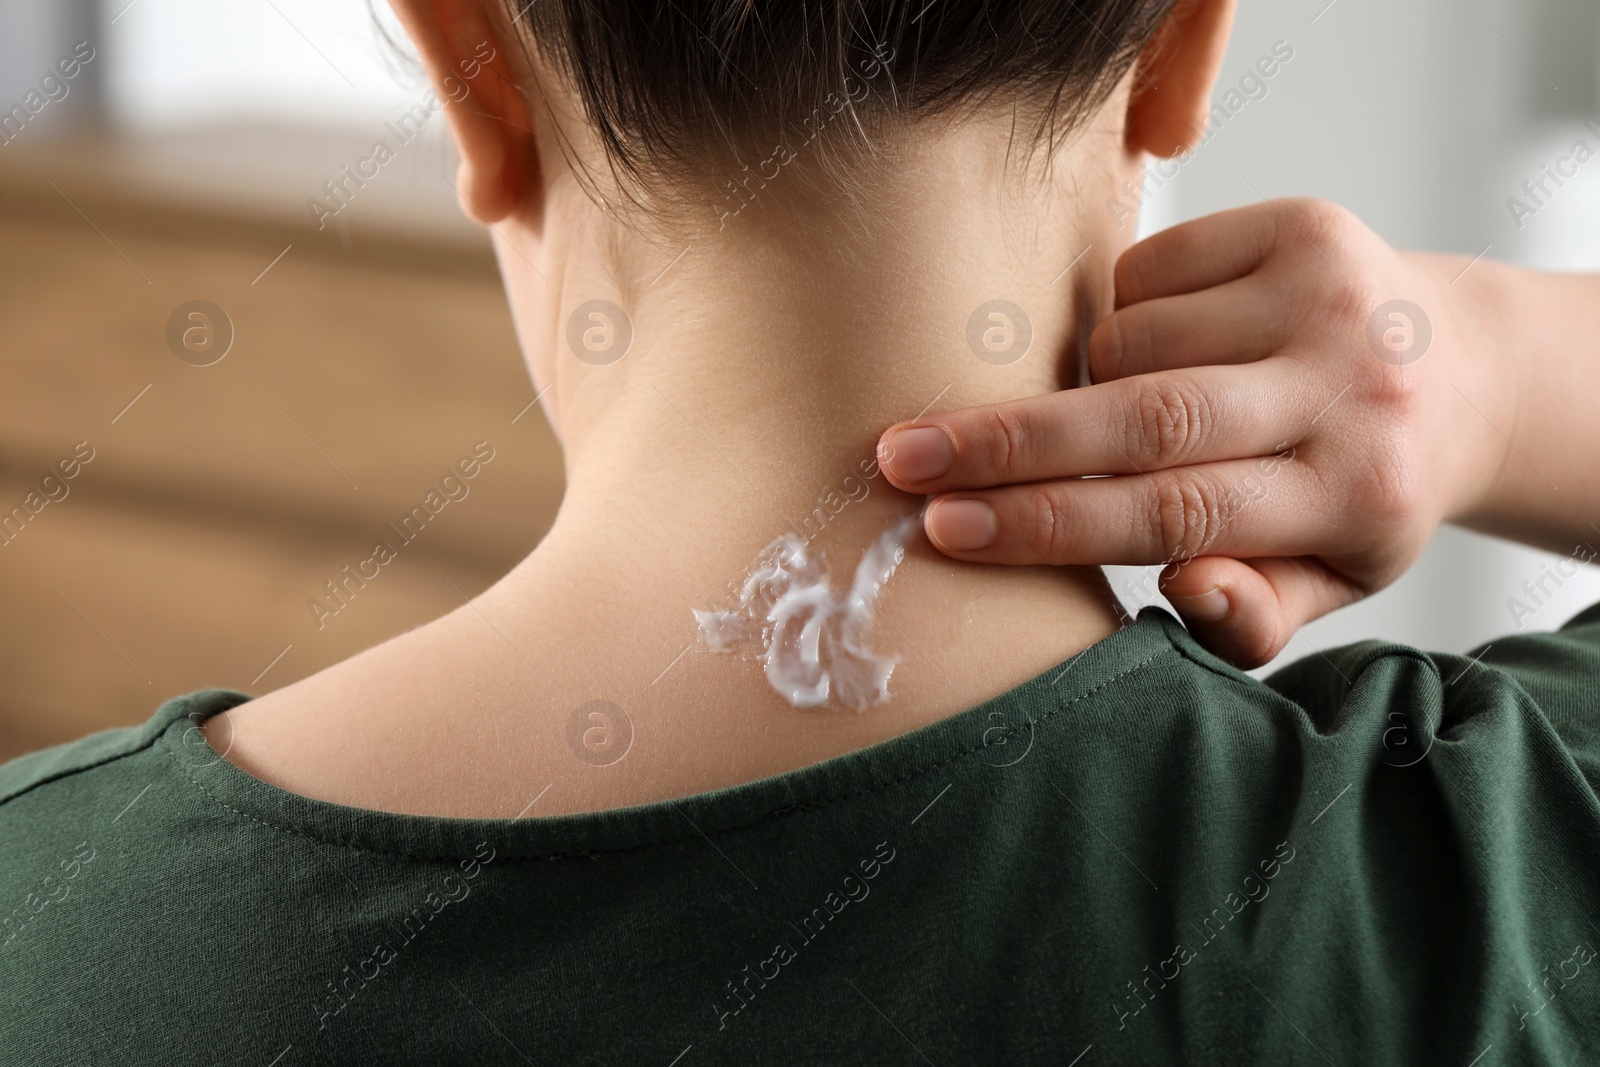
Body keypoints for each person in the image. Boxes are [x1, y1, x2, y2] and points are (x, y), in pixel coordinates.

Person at [3, 0, 1598, 1061]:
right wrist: (1488, 365)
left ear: (470, 71)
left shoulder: (38, 923)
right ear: (1185, 46)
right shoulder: (1482, 896)